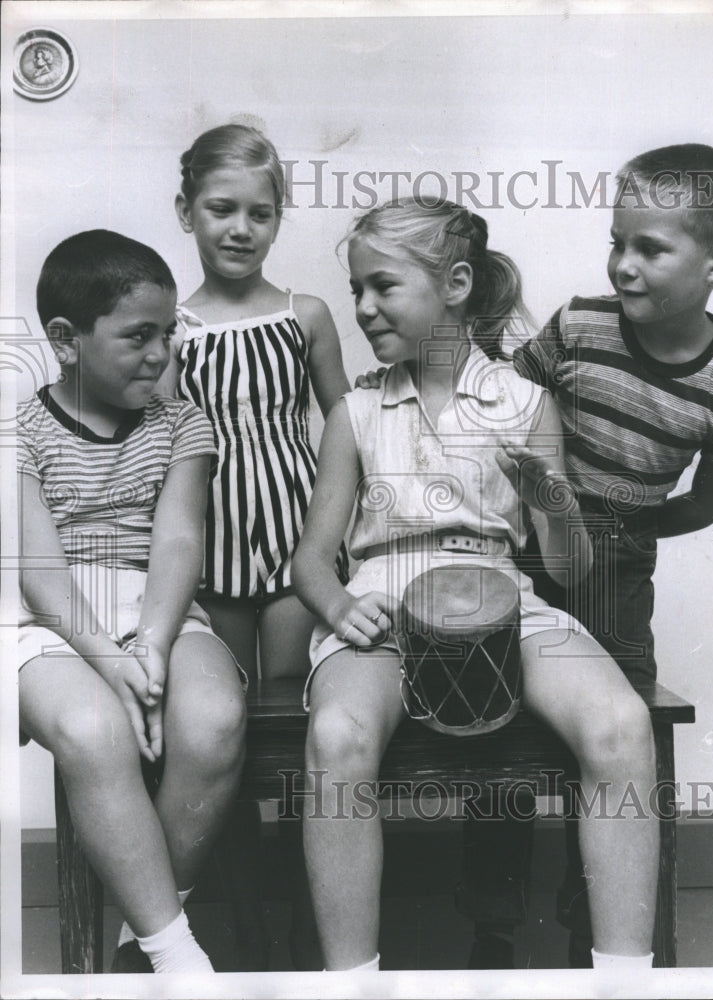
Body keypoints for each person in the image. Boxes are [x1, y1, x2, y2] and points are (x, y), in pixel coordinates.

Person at [292, 197, 660, 975]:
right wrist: (340, 607)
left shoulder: (526, 404)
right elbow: (310, 561)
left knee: (623, 724)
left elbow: (569, 574)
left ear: (455, 284)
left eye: (383, 286)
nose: (362, 307)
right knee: (336, 738)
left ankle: (626, 981)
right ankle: (349, 983)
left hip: (500, 597)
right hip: (386, 604)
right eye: (355, 289)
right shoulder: (354, 412)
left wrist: (554, 501)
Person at [459, 142, 713, 968]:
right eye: (616, 242)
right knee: (495, 733)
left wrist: (624, 532)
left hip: (618, 579)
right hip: (523, 552)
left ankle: (595, 932)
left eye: (651, 248)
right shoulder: (578, 324)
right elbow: (507, 402)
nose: (624, 265)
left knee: (613, 739)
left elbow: (706, 503)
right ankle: (492, 922)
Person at [18, 230, 248, 974]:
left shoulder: (181, 423)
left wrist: (147, 645)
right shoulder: (16, 432)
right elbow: (40, 575)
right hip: (52, 620)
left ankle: (139, 937)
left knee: (213, 720)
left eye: (169, 333)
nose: (160, 354)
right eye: (137, 336)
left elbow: (179, 543)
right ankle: (181, 960)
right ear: (65, 339)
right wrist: (111, 664)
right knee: (94, 730)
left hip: (159, 606)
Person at [164, 123, 350, 969]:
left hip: (291, 558)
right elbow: (163, 447)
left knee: (297, 738)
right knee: (225, 741)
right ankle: (240, 920)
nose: (241, 228)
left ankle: (311, 918)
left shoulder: (303, 315)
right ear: (186, 212)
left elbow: (349, 427)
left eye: (260, 213)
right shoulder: (172, 329)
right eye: (221, 210)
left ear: (280, 221)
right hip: (211, 565)